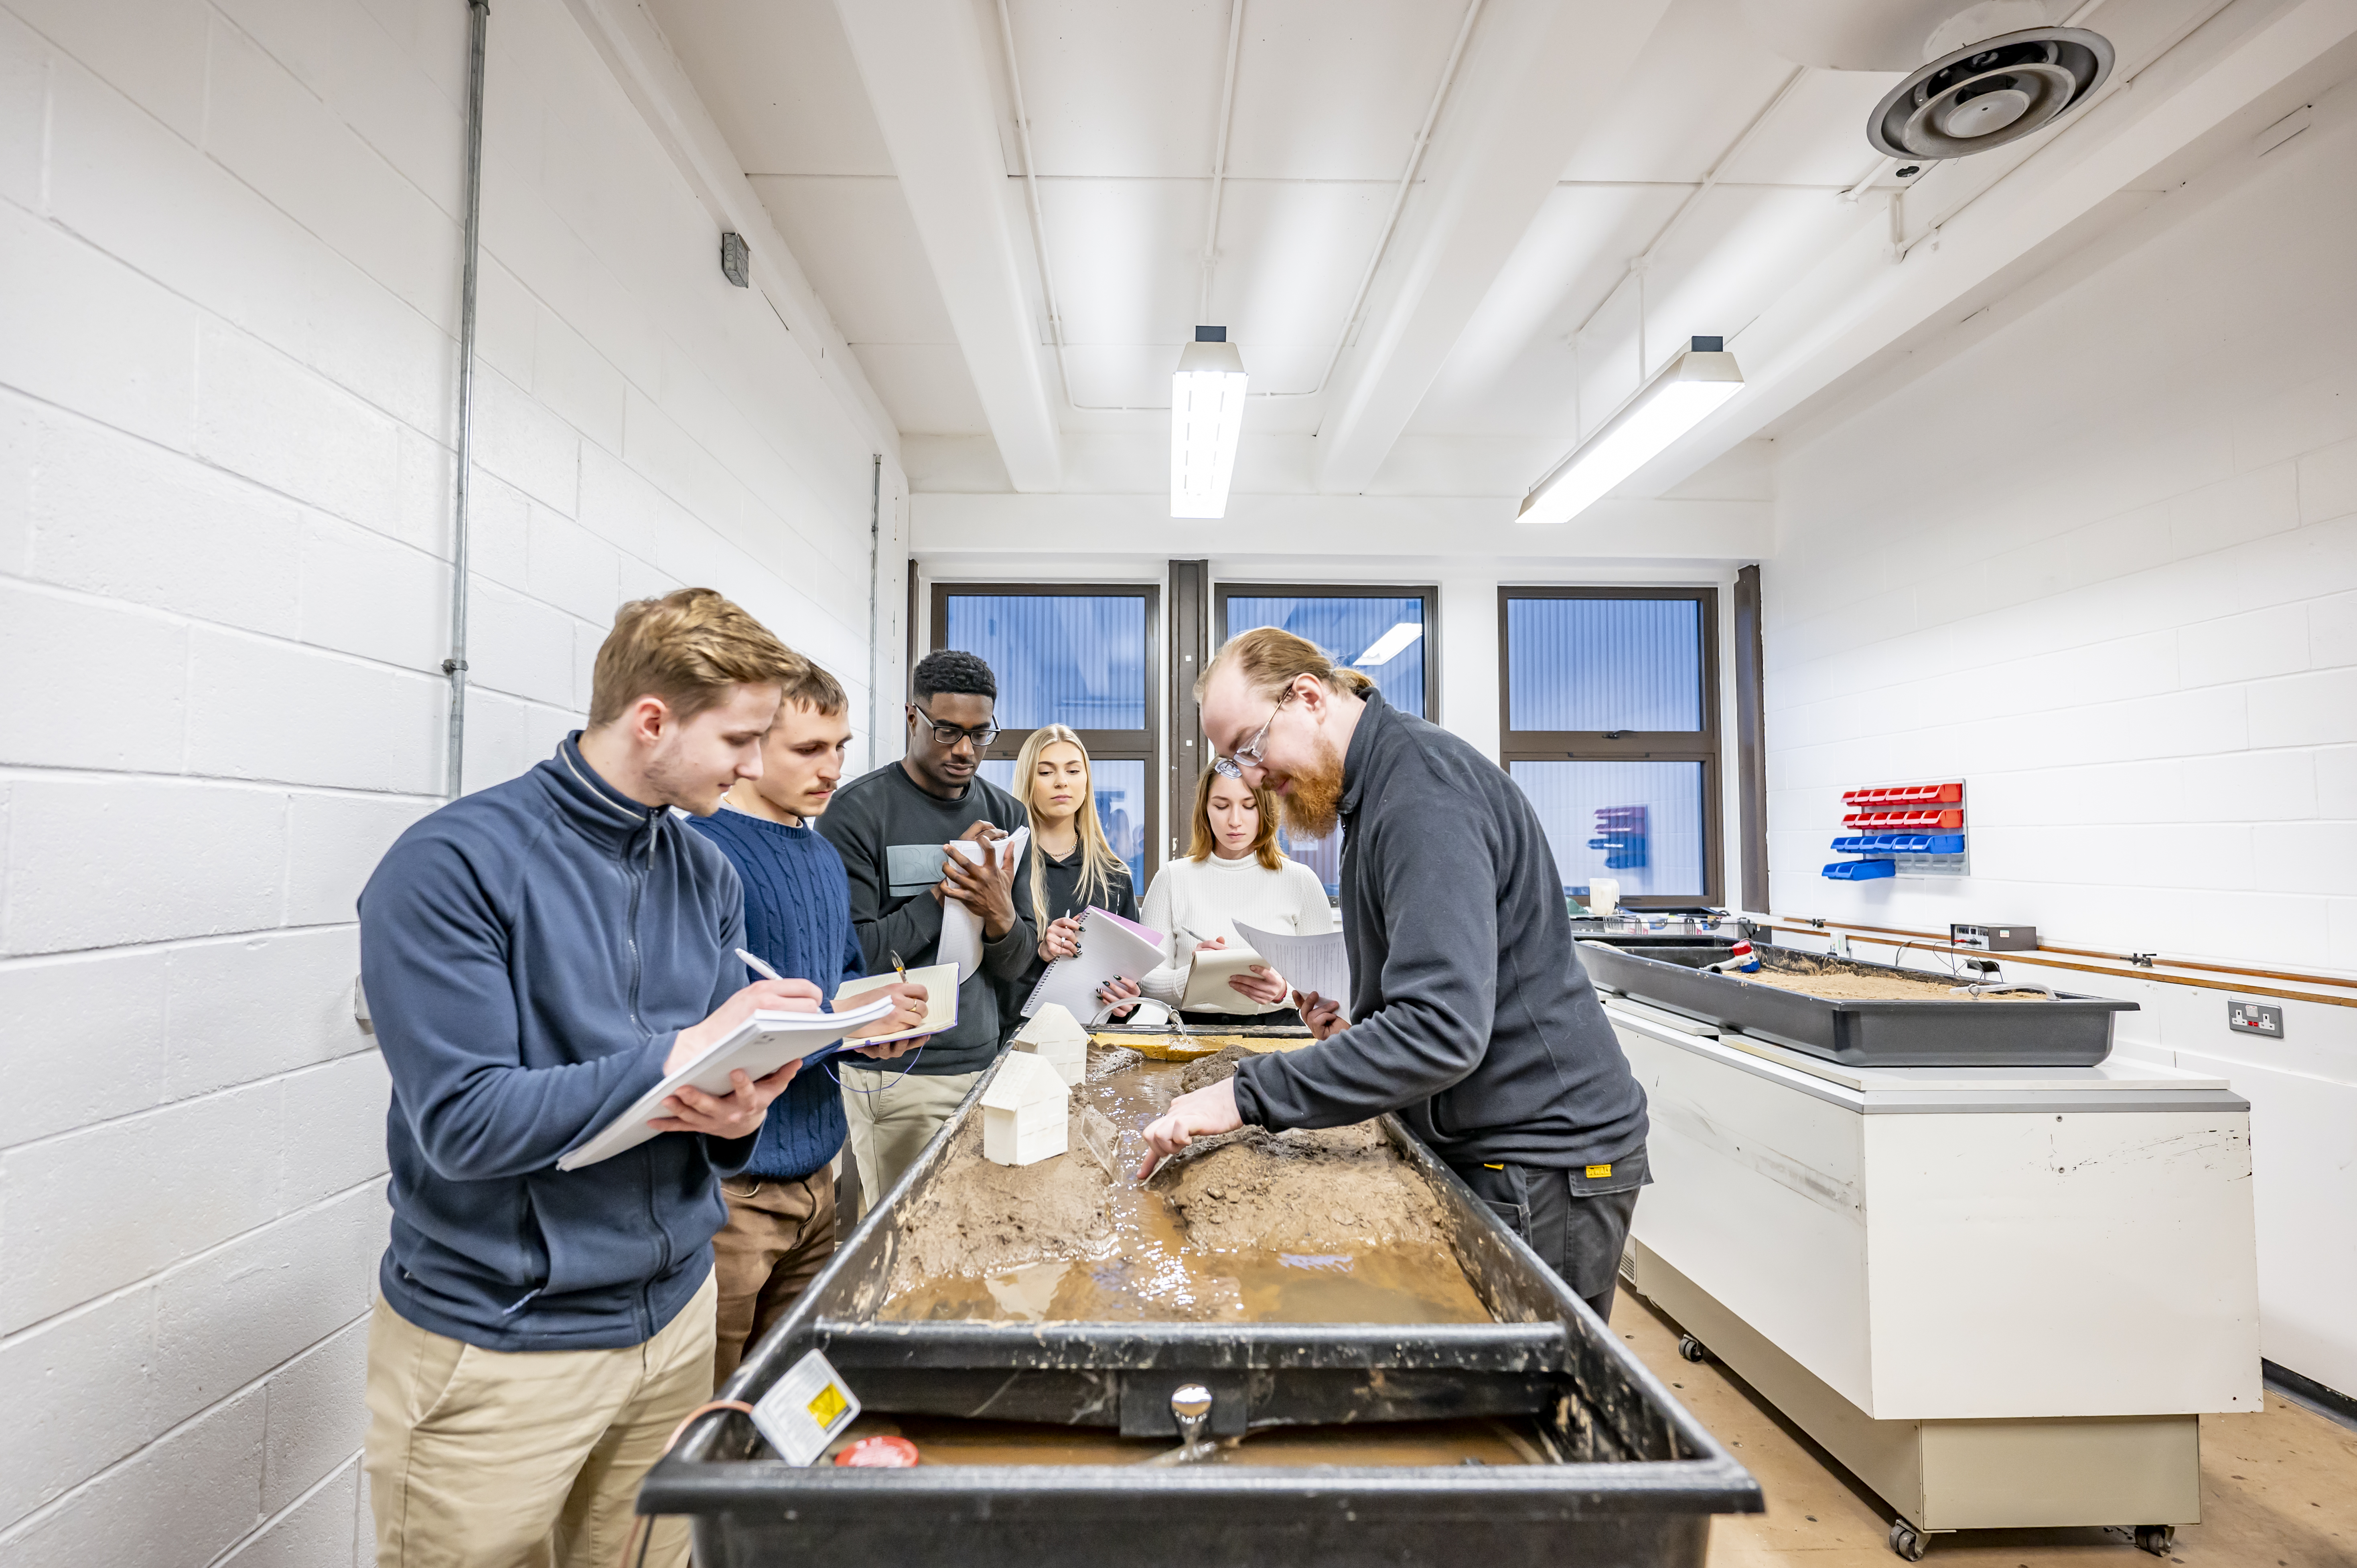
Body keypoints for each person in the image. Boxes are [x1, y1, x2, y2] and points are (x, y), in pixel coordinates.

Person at [357, 588, 926, 1568]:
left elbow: (703, 1096)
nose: (755, 765)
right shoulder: (452, 866)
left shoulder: (702, 874)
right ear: (652, 720)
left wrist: (740, 1100)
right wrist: (677, 1056)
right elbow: (463, 1121)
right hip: (503, 1346)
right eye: (741, 739)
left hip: (670, 1322)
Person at [1138, 627, 1651, 1324]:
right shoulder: (1375, 790)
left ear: (1308, 698)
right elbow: (1452, 993)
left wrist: (1244, 1095)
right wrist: (1362, 1025)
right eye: (1232, 761)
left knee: (1527, 1398)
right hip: (1501, 1136)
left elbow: (1442, 1030)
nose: (1252, 779)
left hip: (1543, 1157)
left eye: (1251, 749)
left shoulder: (1419, 797)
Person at [687, 656, 931, 1386]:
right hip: (733, 1192)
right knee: (707, 1408)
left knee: (789, 1393)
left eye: (841, 748)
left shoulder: (823, 857)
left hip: (819, 1177)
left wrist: (877, 1027)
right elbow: (702, 1022)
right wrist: (839, 1023)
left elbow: (839, 983)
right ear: (749, 746)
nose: (832, 770)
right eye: (808, 751)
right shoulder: (701, 852)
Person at [816, 649, 1034, 1213]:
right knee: (899, 1247)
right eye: (947, 731)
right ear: (912, 718)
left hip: (984, 1066)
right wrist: (941, 895)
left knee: (978, 1238)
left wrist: (1001, 914)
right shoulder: (856, 813)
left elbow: (1020, 963)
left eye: (980, 732)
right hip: (894, 1076)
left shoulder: (1008, 815)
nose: (965, 749)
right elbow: (855, 955)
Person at [1128, 766, 1332, 1026]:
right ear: (1205, 810)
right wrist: (1189, 977)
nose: (1235, 820)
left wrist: (1283, 991)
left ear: (1266, 809)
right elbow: (1145, 979)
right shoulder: (1171, 878)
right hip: (1190, 1032)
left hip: (1277, 1031)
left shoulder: (1300, 880)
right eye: (1222, 806)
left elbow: (1326, 981)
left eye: (1248, 806)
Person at [1010, 723, 1150, 1025]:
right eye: (1046, 772)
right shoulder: (1005, 870)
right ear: (1028, 781)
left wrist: (1126, 1001)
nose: (1062, 782)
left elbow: (1129, 986)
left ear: (1086, 782)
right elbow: (984, 983)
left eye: (1073, 771)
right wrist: (1040, 954)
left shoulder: (1115, 877)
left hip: (1096, 1050)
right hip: (1014, 1044)